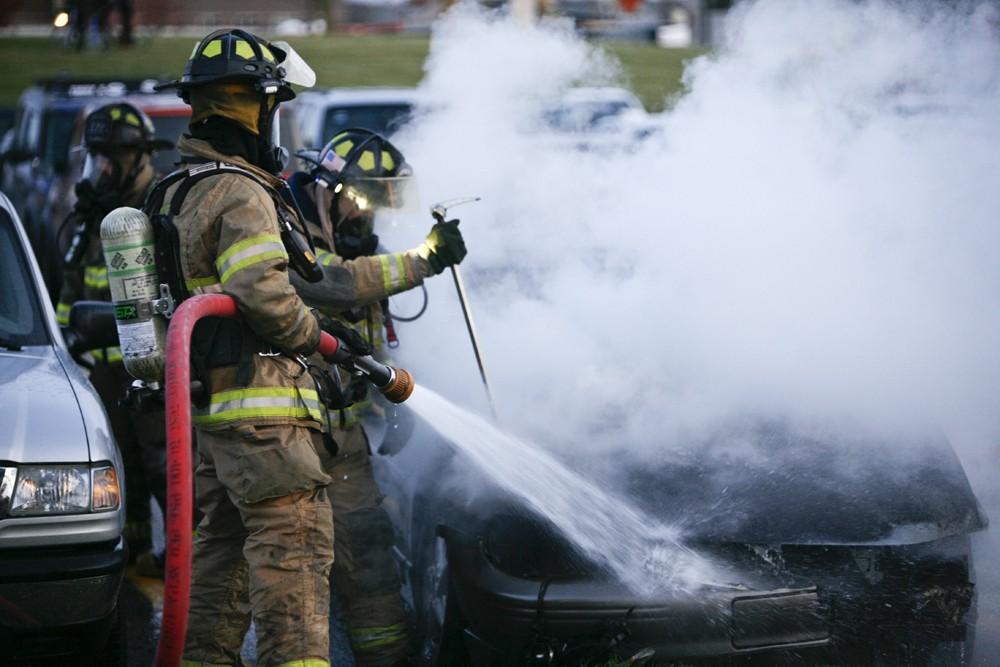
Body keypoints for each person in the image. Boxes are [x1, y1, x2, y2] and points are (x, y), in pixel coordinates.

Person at [154, 29, 365, 667]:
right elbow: (262, 293)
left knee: (218, 561)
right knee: (294, 553)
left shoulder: (178, 188)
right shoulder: (239, 191)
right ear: (256, 105)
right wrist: (323, 340)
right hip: (266, 414)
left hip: (214, 416)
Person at [287, 129, 467, 666]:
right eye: (358, 201)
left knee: (367, 549)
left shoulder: (366, 252)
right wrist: (423, 261)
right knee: (287, 566)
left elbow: (375, 336)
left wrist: (392, 400)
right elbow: (328, 284)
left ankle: (387, 660)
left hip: (342, 437)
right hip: (283, 432)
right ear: (327, 190)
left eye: (374, 204)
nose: (366, 217)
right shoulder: (284, 225)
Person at [55, 101, 172, 563]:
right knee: (122, 467)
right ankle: (137, 548)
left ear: (140, 157)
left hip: (151, 361)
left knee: (162, 462)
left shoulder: (158, 208)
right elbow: (71, 288)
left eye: (109, 160)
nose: (98, 171)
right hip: (101, 369)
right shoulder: (94, 214)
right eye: (94, 159)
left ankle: (191, 556)